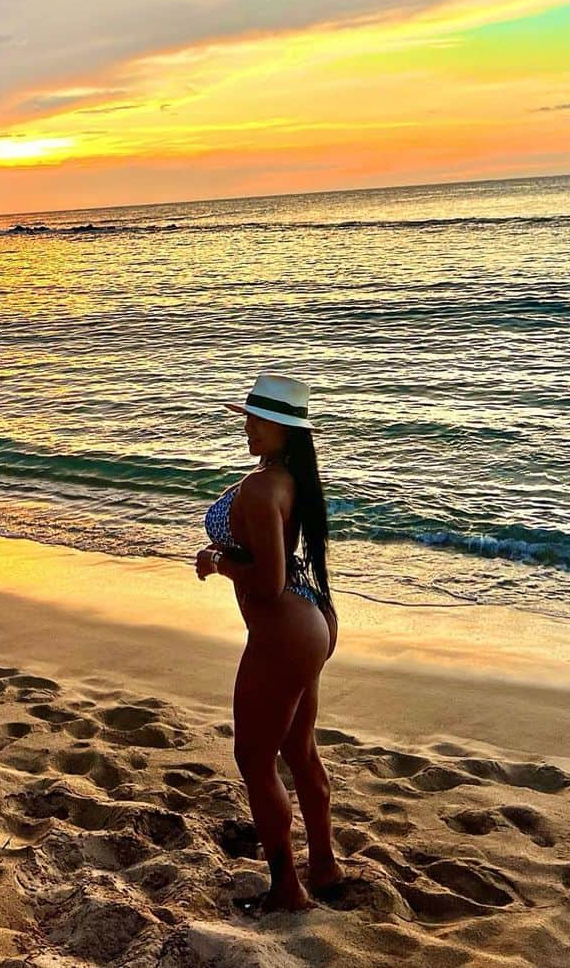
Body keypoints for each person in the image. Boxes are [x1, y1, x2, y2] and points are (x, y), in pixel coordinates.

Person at [195, 370, 340, 912]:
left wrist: (217, 563)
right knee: (299, 751)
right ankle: (323, 867)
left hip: (284, 630)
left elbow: (267, 581)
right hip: (313, 619)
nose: (252, 427)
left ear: (289, 432)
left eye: (266, 421)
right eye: (252, 417)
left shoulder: (261, 488)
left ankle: (286, 888)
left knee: (254, 761)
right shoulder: (292, 478)